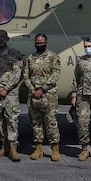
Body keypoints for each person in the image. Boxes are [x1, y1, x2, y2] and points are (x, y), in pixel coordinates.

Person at [0, 30, 23, 162]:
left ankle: (13, 147)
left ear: (7, 38)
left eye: (3, 37)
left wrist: (6, 89)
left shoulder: (14, 54)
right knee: (0, 120)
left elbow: (17, 74)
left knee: (12, 119)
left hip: (10, 93)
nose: (0, 39)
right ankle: (5, 146)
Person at [24, 33, 61, 161]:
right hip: (34, 95)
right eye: (37, 43)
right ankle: (38, 148)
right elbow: (26, 76)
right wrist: (32, 89)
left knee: (51, 123)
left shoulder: (53, 57)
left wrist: (43, 89)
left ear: (46, 42)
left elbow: (55, 74)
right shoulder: (30, 58)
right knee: (36, 123)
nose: (39, 45)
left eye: (41, 43)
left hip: (48, 95)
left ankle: (55, 149)